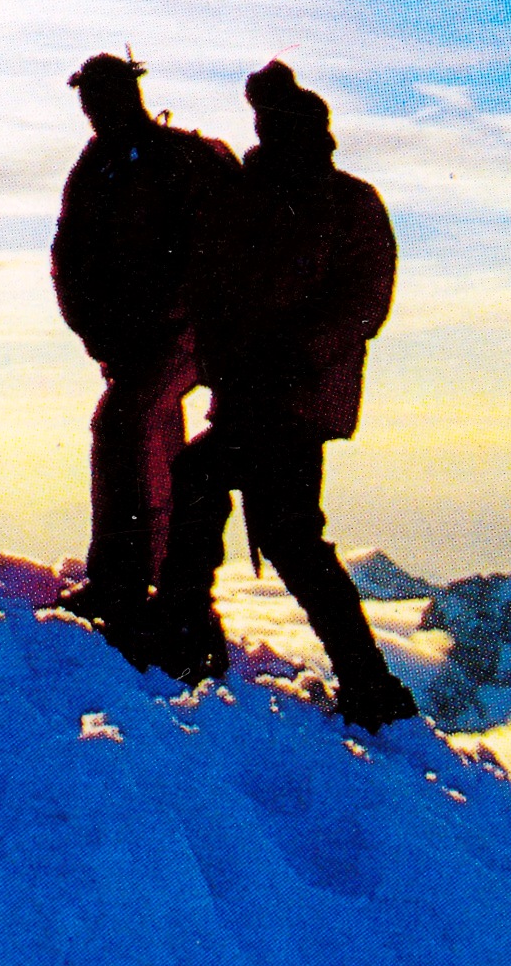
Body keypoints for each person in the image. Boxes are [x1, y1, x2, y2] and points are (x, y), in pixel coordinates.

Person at [145, 62, 417, 729]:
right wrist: (227, 353)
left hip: (293, 400)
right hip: (259, 392)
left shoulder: (336, 202)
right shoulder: (271, 196)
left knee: (270, 521)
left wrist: (292, 355)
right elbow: (216, 281)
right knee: (258, 514)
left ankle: (192, 634)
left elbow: (361, 301)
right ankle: (359, 680)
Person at [48, 52, 238, 645]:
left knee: (121, 428)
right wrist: (95, 331)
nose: (93, 109)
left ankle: (122, 581)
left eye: (101, 95)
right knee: (148, 434)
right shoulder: (99, 163)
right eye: (88, 98)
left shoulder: (181, 158)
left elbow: (218, 249)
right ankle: (156, 574)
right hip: (129, 340)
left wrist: (176, 321)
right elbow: (69, 253)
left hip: (177, 334)